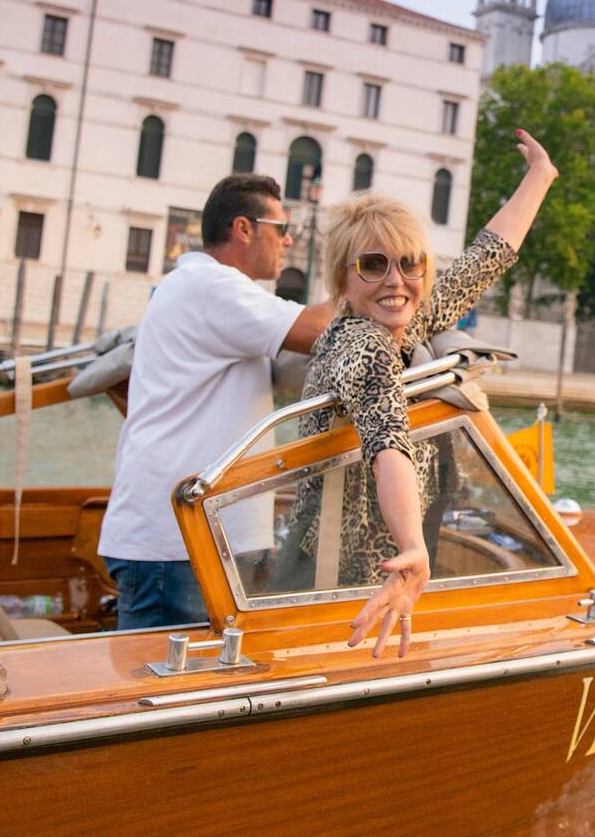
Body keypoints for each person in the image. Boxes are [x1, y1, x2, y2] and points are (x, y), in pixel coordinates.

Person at [276, 129, 556, 658]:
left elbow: (480, 264)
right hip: (338, 586)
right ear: (343, 279)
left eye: (410, 263)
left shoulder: (403, 323)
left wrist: (539, 177)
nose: (396, 280)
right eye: (373, 264)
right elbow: (388, 442)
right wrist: (411, 546)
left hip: (372, 579)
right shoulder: (363, 343)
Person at [99, 173, 334, 629]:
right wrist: (367, 280)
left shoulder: (200, 286)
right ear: (244, 228)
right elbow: (320, 330)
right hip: (178, 543)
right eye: (281, 229)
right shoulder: (213, 287)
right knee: (169, 674)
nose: (288, 242)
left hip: (189, 536)